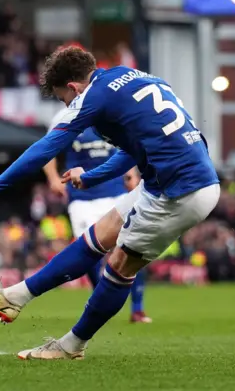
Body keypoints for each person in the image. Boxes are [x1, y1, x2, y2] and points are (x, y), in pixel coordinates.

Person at [0, 46, 220, 360]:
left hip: (180, 189)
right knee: (99, 235)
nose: (66, 106)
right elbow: (134, 149)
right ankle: (13, 298)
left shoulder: (93, 97)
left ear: (73, 87)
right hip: (172, 178)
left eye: (62, 100)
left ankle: (71, 346)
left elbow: (46, 148)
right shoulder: (126, 76)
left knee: (119, 265)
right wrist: (94, 176)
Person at [43, 121, 151, 323]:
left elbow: (130, 146)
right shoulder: (69, 119)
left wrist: (132, 173)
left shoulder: (111, 117)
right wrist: (53, 178)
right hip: (82, 199)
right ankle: (101, 298)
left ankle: (137, 308)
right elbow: (47, 150)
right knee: (88, 253)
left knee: (132, 247)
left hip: (116, 195)